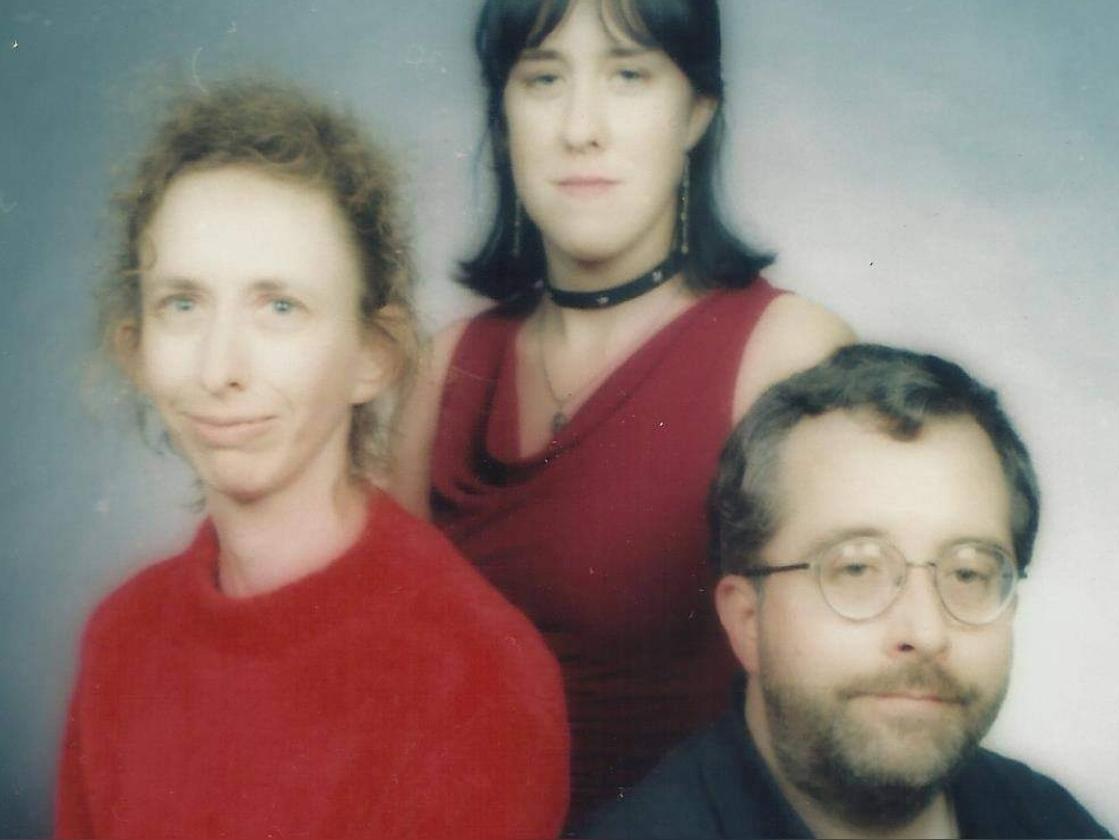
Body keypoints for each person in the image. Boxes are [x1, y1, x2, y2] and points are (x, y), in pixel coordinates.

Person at [55, 81, 569, 840]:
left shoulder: (476, 674)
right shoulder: (120, 637)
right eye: (182, 304)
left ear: (373, 354)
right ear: (136, 347)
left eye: (280, 307)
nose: (219, 369)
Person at [391, 0, 854, 825]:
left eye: (628, 75)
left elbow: (840, 710)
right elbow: (380, 676)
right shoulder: (442, 369)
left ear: (696, 111)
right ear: (503, 112)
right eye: (543, 79)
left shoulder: (785, 354)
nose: (581, 129)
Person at [587, 344, 1111, 839]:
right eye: (857, 568)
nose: (927, 632)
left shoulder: (1054, 823)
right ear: (747, 621)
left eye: (969, 574)